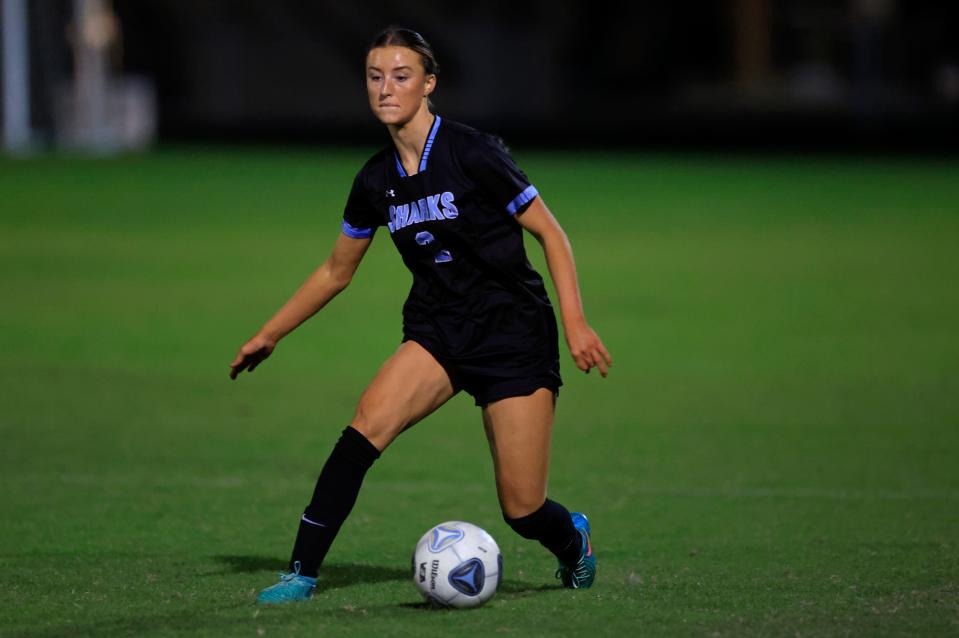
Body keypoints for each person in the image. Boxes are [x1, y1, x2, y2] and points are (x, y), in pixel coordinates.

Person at [230, 26, 612, 604]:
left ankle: (571, 541)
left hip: (513, 335)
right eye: (375, 76)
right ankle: (302, 574)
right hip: (438, 332)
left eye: (401, 76)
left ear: (428, 84)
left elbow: (551, 234)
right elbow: (337, 271)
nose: (386, 88)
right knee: (363, 430)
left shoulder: (474, 151)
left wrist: (576, 322)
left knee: (522, 506)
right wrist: (269, 334)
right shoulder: (375, 181)